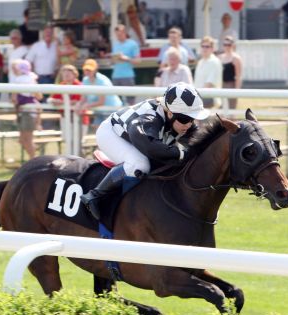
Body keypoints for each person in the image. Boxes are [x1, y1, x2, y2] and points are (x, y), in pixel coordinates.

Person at [79, 82, 210, 220]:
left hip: (136, 138)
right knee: (140, 164)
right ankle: (94, 196)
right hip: (111, 134)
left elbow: (199, 145)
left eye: (193, 119)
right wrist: (181, 153)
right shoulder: (149, 118)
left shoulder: (179, 120)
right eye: (186, 119)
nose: (189, 124)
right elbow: (151, 148)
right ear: (170, 113)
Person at [11, 59, 43, 159]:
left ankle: (34, 159)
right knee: (23, 140)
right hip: (28, 111)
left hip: (27, 111)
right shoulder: (31, 79)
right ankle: (34, 156)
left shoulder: (19, 80)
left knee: (27, 140)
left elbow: (14, 98)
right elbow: (39, 96)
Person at [77, 59, 123, 123]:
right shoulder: (85, 80)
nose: (87, 72)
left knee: (105, 129)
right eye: (86, 70)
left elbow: (101, 102)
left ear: (95, 70)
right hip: (99, 110)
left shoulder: (102, 80)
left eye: (90, 70)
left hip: (111, 109)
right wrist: (79, 104)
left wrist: (87, 105)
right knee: (97, 127)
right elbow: (84, 97)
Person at [111, 24, 141, 105]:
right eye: (117, 35)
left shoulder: (132, 44)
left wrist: (126, 58)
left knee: (131, 101)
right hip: (116, 76)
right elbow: (114, 61)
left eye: (120, 34)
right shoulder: (115, 44)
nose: (118, 36)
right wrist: (113, 60)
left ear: (124, 33)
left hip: (127, 76)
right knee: (116, 101)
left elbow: (138, 60)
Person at [194, 36, 222, 109]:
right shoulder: (200, 62)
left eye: (207, 46)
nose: (204, 48)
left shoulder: (215, 62)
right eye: (203, 46)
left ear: (212, 48)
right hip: (199, 98)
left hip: (210, 99)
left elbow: (209, 84)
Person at [219, 36, 243, 110]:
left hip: (231, 85)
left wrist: (236, 90)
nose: (227, 47)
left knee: (231, 108)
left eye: (229, 45)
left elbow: (238, 76)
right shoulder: (220, 57)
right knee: (222, 108)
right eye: (225, 44)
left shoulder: (236, 58)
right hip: (221, 85)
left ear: (233, 45)